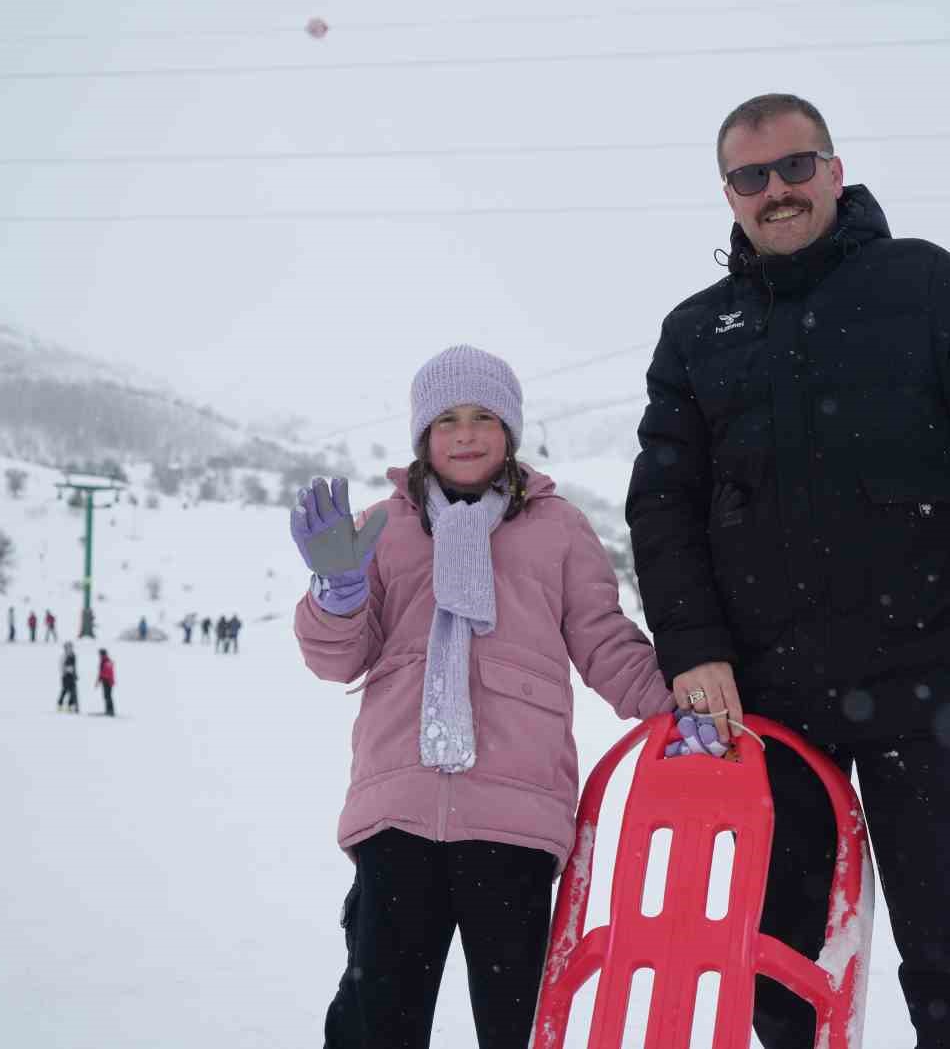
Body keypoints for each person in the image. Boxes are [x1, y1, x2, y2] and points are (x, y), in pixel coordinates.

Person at [625, 94, 950, 1049]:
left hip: (923, 675)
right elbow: (662, 508)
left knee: (945, 936)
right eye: (751, 177)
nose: (776, 190)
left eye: (795, 166)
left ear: (834, 169)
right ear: (729, 195)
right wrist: (694, 649)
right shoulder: (697, 331)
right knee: (779, 947)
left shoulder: (923, 284)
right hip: (771, 694)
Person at [293, 345, 685, 1049]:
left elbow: (603, 641)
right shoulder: (383, 529)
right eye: (446, 420)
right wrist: (337, 594)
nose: (466, 434)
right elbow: (337, 658)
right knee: (377, 1014)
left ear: (510, 430)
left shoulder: (558, 529)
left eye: (483, 417)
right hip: (398, 806)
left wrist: (677, 705)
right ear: (423, 435)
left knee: (519, 1022)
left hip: (516, 814)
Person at [57, 641, 79, 713]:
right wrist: (67, 670)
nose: (70, 649)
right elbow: (61, 666)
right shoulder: (64, 656)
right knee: (65, 690)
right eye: (68, 648)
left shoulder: (73, 655)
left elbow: (74, 666)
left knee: (73, 692)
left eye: (71, 647)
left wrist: (75, 674)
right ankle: (59, 704)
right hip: (65, 676)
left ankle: (70, 706)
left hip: (72, 676)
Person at [96, 648, 116, 717]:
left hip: (108, 681)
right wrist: (98, 680)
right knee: (106, 696)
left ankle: (111, 710)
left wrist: (101, 678)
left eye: (100, 654)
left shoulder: (107, 661)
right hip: (105, 681)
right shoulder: (103, 661)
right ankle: (108, 710)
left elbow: (108, 672)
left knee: (108, 696)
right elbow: (101, 672)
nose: (99, 656)